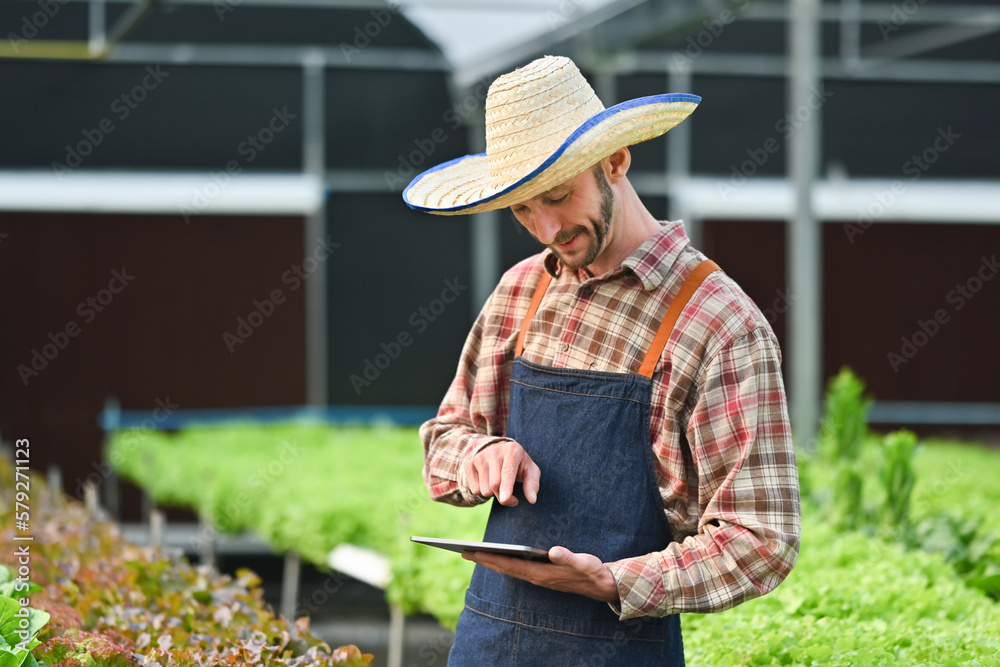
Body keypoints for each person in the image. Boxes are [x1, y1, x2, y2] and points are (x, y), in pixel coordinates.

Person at [404, 55, 800, 666]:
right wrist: (481, 455)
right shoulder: (521, 290)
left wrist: (615, 582)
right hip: (489, 642)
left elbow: (760, 540)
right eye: (523, 208)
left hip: (619, 650)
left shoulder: (718, 323)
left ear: (616, 161)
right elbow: (443, 443)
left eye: (558, 196)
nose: (546, 228)